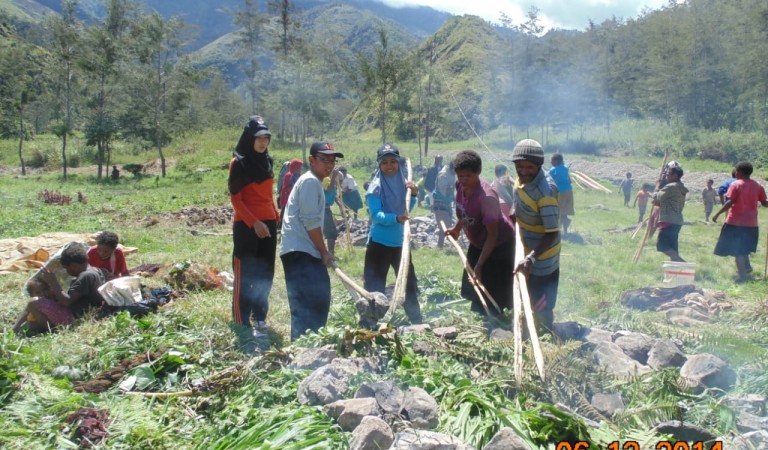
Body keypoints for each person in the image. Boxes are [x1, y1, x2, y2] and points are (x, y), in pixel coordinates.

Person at [280, 141, 342, 340]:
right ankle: (301, 353)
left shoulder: (314, 182)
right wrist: (324, 252)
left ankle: (308, 349)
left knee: (316, 301)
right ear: (311, 160)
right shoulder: (310, 182)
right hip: (300, 252)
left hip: (303, 251)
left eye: (332, 160)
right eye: (324, 159)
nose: (329, 165)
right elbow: (311, 222)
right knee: (307, 305)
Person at [228, 115, 280, 337]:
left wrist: (275, 216)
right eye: (258, 137)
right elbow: (236, 200)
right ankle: (241, 319)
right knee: (245, 273)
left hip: (268, 224)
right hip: (247, 226)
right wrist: (254, 222)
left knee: (265, 273)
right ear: (249, 138)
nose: (263, 142)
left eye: (266, 137)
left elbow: (268, 196)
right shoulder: (238, 163)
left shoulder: (267, 160)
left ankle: (260, 316)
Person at [446, 151, 515, 318]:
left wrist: (479, 265)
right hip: (478, 241)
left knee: (492, 287)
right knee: (474, 284)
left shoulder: (486, 198)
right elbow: (464, 211)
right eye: (460, 175)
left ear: (478, 172)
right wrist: (456, 228)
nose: (463, 180)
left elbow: (493, 235)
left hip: (499, 246)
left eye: (468, 176)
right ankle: (481, 317)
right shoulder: (460, 186)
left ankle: (497, 322)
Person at [364, 143, 422, 325]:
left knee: (408, 284)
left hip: (400, 244)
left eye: (393, 162)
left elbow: (407, 209)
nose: (389, 166)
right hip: (379, 244)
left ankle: (417, 321)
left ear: (398, 163)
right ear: (379, 165)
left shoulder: (404, 184)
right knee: (374, 286)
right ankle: (370, 323)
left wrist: (413, 194)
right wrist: (396, 218)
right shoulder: (374, 188)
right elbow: (376, 215)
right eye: (385, 163)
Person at [510, 139, 561, 334]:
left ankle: (547, 336)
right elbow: (519, 199)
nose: (523, 171)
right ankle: (527, 332)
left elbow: (552, 232)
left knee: (543, 304)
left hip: (543, 258)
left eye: (529, 167)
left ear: (539, 166)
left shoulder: (545, 192)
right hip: (526, 250)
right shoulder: (522, 180)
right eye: (519, 166)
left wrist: (532, 257)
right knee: (528, 297)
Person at [13, 245, 106, 334]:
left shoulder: (85, 276)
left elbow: (66, 302)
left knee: (33, 303)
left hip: (73, 317)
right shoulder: (93, 271)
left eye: (66, 268)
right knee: (30, 324)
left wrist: (53, 282)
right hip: (76, 315)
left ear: (73, 266)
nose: (66, 271)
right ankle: (17, 329)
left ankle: (51, 329)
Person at [712, 161, 768, 283]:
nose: (735, 173)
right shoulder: (758, 186)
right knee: (744, 248)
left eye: (736, 171)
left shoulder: (736, 184)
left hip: (735, 223)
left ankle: (742, 276)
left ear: (740, 172)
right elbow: (764, 202)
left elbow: (729, 202)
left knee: (737, 250)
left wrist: (717, 214)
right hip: (751, 224)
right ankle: (746, 268)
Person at [652, 163, 688, 262]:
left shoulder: (672, 186)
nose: (666, 176)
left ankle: (683, 264)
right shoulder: (680, 187)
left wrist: (657, 187)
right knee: (672, 249)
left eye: (668, 174)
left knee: (662, 246)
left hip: (669, 220)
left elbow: (656, 197)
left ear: (675, 176)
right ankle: (676, 271)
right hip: (676, 221)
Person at [548, 153, 574, 235]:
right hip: (569, 192)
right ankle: (565, 231)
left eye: (551, 160)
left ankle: (558, 231)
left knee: (558, 211)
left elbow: (547, 179)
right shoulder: (565, 168)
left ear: (556, 161)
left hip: (560, 193)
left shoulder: (553, 170)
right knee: (564, 212)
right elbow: (569, 181)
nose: (550, 162)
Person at [432, 161, 456, 248]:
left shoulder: (452, 174)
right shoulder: (443, 175)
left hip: (447, 203)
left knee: (445, 226)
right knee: (445, 225)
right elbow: (444, 192)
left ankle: (440, 246)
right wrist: (454, 186)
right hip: (440, 203)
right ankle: (449, 245)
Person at [322, 168, 342, 255]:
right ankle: (330, 253)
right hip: (323, 209)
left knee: (331, 232)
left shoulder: (333, 184)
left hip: (327, 209)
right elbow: (328, 190)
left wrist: (341, 206)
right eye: (340, 180)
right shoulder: (326, 180)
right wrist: (333, 176)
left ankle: (330, 252)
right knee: (331, 232)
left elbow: (333, 196)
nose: (340, 183)